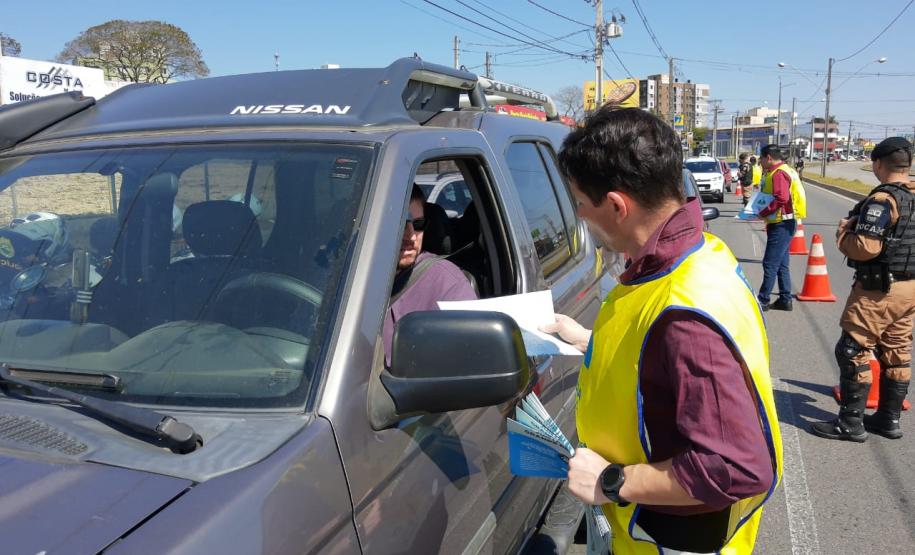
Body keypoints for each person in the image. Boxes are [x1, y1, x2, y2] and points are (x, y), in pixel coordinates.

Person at [546, 107, 782, 554]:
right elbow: (657, 360)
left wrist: (612, 481)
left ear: (617, 206)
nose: (577, 212)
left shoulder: (683, 314)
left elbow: (734, 467)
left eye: (580, 201)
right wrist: (586, 340)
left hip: (669, 537)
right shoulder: (697, 252)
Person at [811, 137, 915, 442]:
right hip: (909, 290)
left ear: (878, 164)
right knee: (897, 351)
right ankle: (888, 419)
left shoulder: (884, 200)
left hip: (879, 290)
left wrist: (844, 233)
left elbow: (866, 248)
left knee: (852, 350)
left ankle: (850, 424)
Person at [381, 185, 477, 366]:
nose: (410, 236)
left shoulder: (447, 283)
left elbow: (468, 362)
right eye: (400, 223)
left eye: (418, 225)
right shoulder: (349, 276)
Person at [756, 145, 798, 311]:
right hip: (785, 222)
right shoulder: (785, 169)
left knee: (770, 263)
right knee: (781, 263)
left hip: (781, 223)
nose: (760, 161)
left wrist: (763, 212)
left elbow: (781, 198)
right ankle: (785, 299)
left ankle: (763, 300)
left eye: (761, 158)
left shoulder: (778, 173)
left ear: (768, 157)